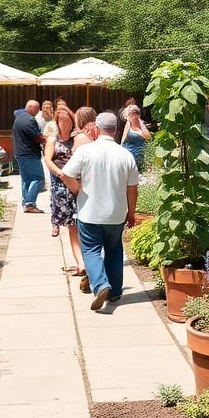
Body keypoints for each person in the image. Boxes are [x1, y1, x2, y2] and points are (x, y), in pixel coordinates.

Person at [59, 111, 139, 311]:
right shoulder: (125, 154)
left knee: (91, 250)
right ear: (116, 130)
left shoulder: (86, 151)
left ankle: (101, 284)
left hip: (90, 212)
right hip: (116, 213)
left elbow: (66, 173)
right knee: (114, 250)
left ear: (96, 128)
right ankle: (115, 291)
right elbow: (132, 188)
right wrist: (131, 212)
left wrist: (76, 189)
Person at [44, 107, 86, 275]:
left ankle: (83, 262)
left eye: (68, 121)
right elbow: (47, 159)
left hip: (78, 185)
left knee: (81, 224)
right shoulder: (53, 140)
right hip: (61, 187)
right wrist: (60, 174)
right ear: (57, 122)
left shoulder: (77, 139)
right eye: (62, 121)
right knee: (71, 226)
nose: (65, 124)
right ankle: (81, 263)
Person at [13, 100, 45, 213]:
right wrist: (47, 139)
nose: (38, 111)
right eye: (37, 108)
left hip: (20, 153)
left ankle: (26, 203)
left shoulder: (19, 118)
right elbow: (37, 137)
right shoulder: (30, 120)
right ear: (31, 107)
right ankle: (30, 203)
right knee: (38, 178)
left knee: (26, 179)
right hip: (30, 153)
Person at [120, 104, 151, 169]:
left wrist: (141, 124)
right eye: (131, 114)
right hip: (128, 156)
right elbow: (123, 138)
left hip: (140, 156)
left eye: (136, 114)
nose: (133, 117)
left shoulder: (142, 126)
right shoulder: (128, 124)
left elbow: (148, 137)